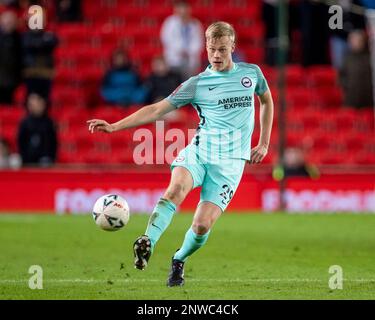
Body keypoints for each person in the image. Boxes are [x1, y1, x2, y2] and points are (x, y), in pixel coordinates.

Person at [87, 22, 274, 287]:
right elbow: (155, 110)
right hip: (199, 152)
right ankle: (147, 241)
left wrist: (263, 143)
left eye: (222, 49)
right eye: (212, 50)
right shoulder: (196, 84)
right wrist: (115, 126)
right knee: (176, 189)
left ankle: (179, 259)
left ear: (233, 46)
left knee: (201, 226)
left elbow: (267, 100)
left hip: (230, 165)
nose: (217, 55)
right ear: (206, 48)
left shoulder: (251, 74)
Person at [160, 0, 204, 80]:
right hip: (174, 60)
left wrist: (189, 51)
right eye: (180, 8)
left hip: (190, 62)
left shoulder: (195, 24)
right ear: (176, 9)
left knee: (189, 86)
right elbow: (166, 39)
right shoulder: (170, 23)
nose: (183, 10)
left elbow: (199, 42)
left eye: (185, 8)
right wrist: (181, 50)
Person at [21, 22, 58, 101]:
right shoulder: (24, 37)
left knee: (45, 98)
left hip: (46, 74)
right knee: (31, 97)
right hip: (30, 74)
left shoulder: (49, 36)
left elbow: (54, 42)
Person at [18, 93, 57, 165]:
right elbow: (21, 142)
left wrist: (50, 157)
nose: (33, 106)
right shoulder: (25, 123)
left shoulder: (49, 122)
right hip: (28, 160)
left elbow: (53, 143)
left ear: (43, 103)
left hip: (45, 160)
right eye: (30, 103)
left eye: (36, 103)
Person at [339, 29, 373, 108]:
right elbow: (341, 76)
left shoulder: (370, 58)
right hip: (351, 98)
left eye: (358, 40)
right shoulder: (347, 58)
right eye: (352, 40)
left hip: (368, 98)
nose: (354, 43)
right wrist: (347, 86)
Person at [0, 10, 21, 104]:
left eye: (11, 21)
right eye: (7, 21)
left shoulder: (19, 39)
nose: (8, 23)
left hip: (12, 81)